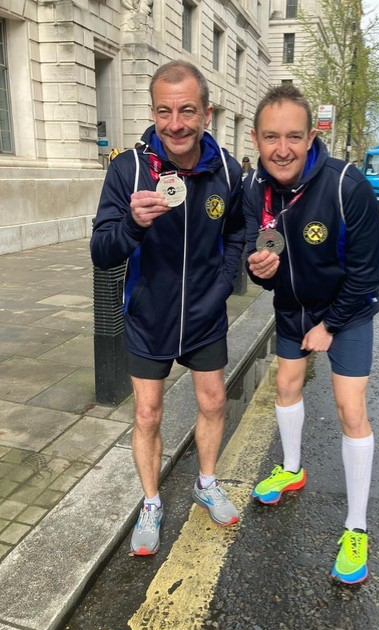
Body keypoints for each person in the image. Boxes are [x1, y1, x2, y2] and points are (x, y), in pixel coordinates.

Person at [91, 60, 244, 556]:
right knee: (149, 414)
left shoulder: (227, 170)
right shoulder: (128, 169)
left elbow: (238, 233)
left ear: (206, 112)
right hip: (148, 315)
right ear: (153, 112)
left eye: (186, 111)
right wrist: (133, 225)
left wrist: (222, 286)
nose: (175, 123)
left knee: (214, 402)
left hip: (204, 314)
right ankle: (152, 502)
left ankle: (206, 481)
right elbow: (101, 250)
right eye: (164, 111)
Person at [243, 84, 379, 585]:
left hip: (349, 309)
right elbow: (257, 255)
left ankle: (356, 527)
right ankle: (292, 467)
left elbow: (368, 275)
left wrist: (329, 325)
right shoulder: (254, 190)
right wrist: (260, 268)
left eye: (294, 137)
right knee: (285, 387)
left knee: (350, 409)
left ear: (310, 137)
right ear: (257, 139)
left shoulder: (348, 184)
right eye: (271, 137)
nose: (282, 148)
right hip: (293, 308)